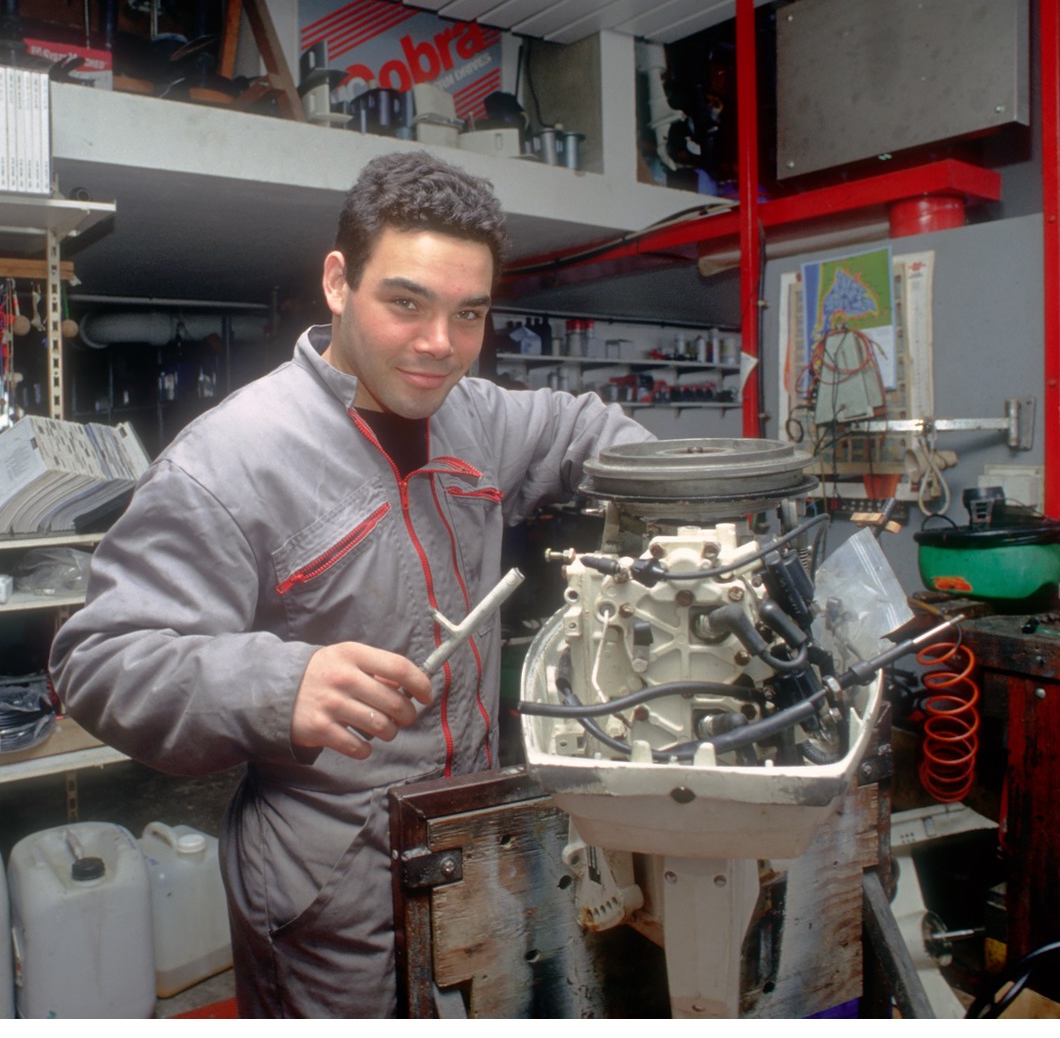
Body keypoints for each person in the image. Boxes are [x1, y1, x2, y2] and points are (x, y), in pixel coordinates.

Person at [48, 151, 653, 1017]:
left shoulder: (475, 417)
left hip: (469, 834)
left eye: (467, 313)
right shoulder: (231, 460)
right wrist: (277, 684)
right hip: (331, 882)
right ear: (338, 281)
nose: (438, 345)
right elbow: (100, 661)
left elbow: (584, 428)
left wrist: (689, 490)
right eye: (405, 302)